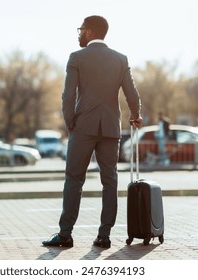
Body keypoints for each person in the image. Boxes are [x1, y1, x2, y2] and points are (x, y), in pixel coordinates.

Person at [42, 15, 143, 249]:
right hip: (110, 127)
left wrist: (71, 123)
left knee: (74, 179)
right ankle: (104, 236)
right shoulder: (120, 59)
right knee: (110, 180)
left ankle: (65, 234)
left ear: (89, 32)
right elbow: (132, 94)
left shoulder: (77, 57)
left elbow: (68, 95)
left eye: (80, 29)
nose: (78, 33)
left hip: (82, 127)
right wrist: (135, 115)